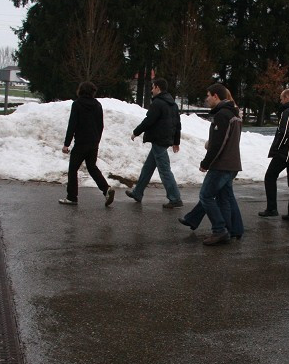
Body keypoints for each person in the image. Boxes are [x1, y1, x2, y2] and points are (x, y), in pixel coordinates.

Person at [182, 83, 243, 246]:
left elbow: (219, 143)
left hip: (221, 165)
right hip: (231, 164)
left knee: (206, 196)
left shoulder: (222, 114)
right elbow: (230, 140)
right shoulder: (234, 114)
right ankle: (229, 231)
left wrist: (206, 162)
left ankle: (219, 230)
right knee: (224, 197)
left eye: (208, 95)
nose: (206, 98)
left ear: (216, 96)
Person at [126, 78, 183, 208]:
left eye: (153, 87)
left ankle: (175, 198)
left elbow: (149, 120)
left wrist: (136, 132)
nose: (151, 90)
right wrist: (176, 141)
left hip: (159, 140)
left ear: (157, 88)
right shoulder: (172, 104)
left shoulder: (158, 103)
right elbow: (177, 124)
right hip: (164, 139)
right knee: (148, 168)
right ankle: (137, 193)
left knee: (164, 170)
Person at [60, 81, 115, 207]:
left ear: (81, 90)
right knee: (92, 167)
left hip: (81, 143)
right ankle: (106, 189)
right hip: (93, 143)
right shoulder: (97, 105)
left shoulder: (77, 104)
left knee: (73, 169)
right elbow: (100, 125)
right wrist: (96, 140)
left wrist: (66, 144)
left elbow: (72, 125)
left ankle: (72, 197)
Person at [259, 88, 289, 221]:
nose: (280, 102)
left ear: (287, 98)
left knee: (270, 176)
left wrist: (276, 149)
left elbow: (284, 132)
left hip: (285, 153)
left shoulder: (288, 112)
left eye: (281, 99)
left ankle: (272, 208)